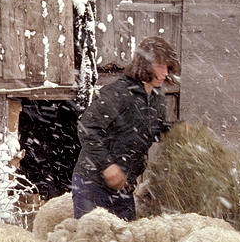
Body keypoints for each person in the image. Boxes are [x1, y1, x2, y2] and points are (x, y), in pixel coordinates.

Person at [71, 36, 180, 221]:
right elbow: (87, 127)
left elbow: (150, 129)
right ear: (144, 64)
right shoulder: (118, 93)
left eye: (168, 67)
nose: (165, 73)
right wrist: (107, 166)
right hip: (92, 184)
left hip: (123, 188)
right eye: (160, 66)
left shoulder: (156, 99)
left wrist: (175, 131)